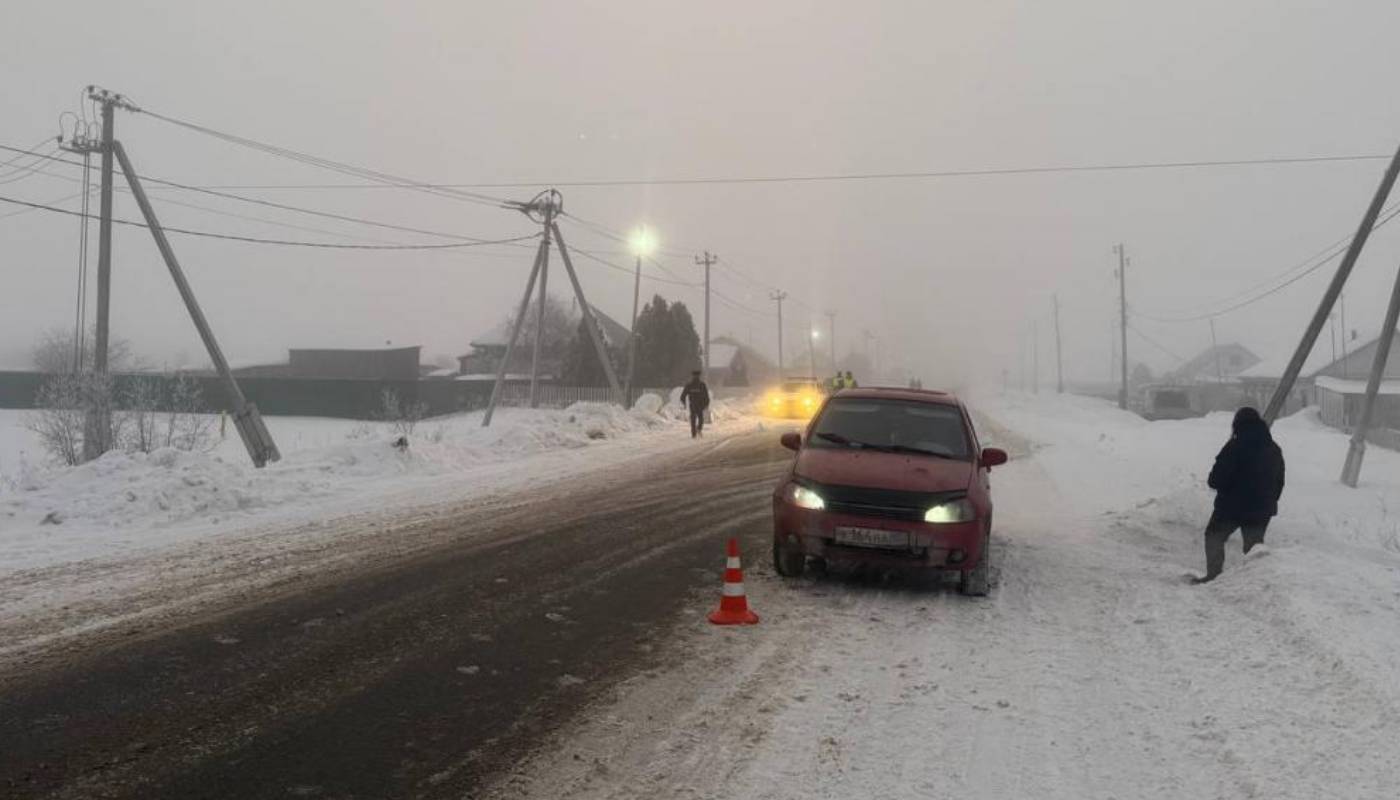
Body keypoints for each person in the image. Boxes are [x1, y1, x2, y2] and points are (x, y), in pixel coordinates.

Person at [1192, 407, 1285, 584]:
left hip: (1231, 508)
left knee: (1214, 536)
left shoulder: (1234, 447)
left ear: (1237, 425)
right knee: (1254, 548)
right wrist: (1269, 500)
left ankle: (1214, 575)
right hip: (1261, 508)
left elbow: (1216, 479)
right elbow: (1279, 481)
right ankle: (1256, 583)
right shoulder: (1273, 449)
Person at [680, 369, 711, 438]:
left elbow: (683, 396)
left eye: (696, 376)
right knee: (697, 419)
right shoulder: (695, 385)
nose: (696, 377)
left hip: (697, 405)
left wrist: (706, 404)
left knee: (697, 419)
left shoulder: (698, 385)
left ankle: (696, 431)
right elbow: (683, 396)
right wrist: (684, 403)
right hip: (696, 405)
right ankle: (695, 432)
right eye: (695, 376)